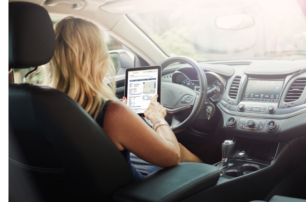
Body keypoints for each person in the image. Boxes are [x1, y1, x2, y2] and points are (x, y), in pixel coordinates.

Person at [44, 17, 202, 180]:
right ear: (97, 57)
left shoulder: (40, 105)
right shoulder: (112, 113)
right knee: (179, 149)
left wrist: (126, 116)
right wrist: (156, 117)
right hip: (134, 193)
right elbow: (172, 156)